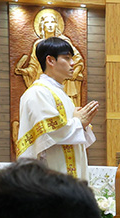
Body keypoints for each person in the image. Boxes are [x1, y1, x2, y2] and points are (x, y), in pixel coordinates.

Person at [15, 37, 98, 180]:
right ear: (50, 60)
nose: (73, 63)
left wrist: (82, 125)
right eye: (67, 58)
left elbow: (74, 138)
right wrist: (79, 122)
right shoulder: (38, 92)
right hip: (49, 177)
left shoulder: (62, 95)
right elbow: (49, 132)